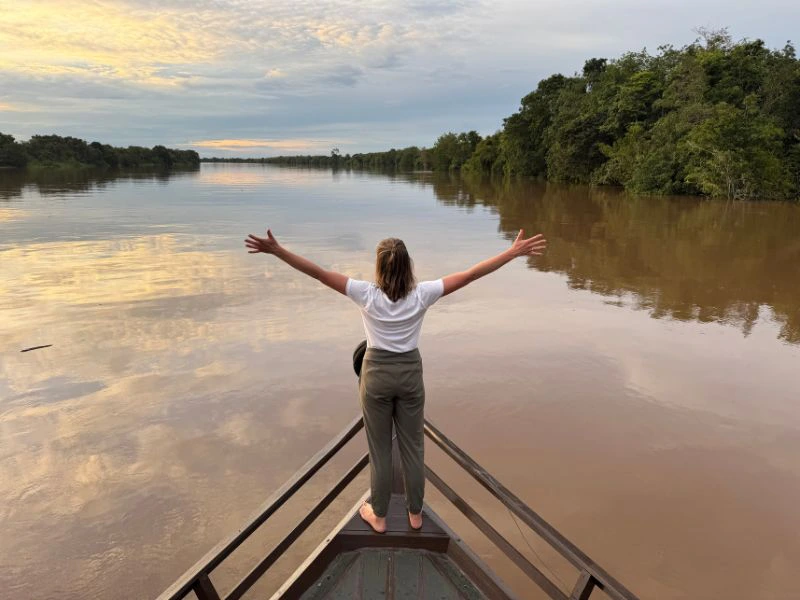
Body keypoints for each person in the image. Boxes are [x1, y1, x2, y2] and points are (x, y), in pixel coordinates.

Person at [244, 229, 547, 532]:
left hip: (376, 376)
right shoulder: (422, 294)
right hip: (410, 375)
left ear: (379, 267)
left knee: (380, 451)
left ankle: (379, 515)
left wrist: (278, 251)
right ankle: (415, 514)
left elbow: (320, 274)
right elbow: (469, 275)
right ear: (408, 265)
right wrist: (511, 253)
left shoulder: (365, 293)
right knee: (413, 447)